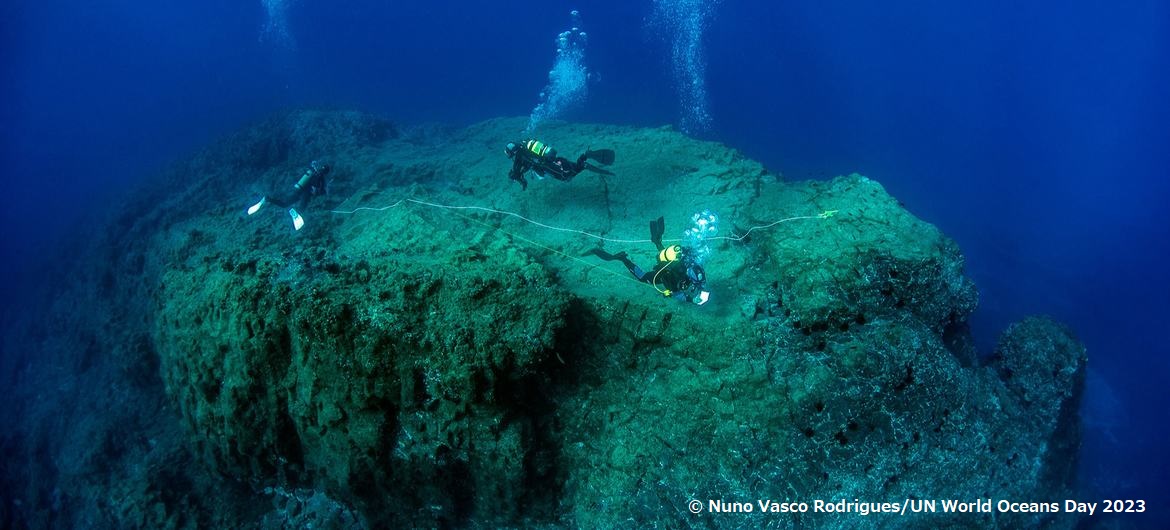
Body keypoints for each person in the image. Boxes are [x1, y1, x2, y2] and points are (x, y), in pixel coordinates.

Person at [587, 217, 711, 305]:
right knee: (644, 276)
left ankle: (656, 241)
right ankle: (623, 258)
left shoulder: (692, 281)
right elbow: (678, 292)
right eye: (690, 286)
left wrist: (691, 296)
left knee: (664, 261)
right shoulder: (693, 279)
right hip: (666, 270)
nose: (687, 287)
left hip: (670, 266)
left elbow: (683, 292)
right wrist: (692, 298)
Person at [246, 160, 331, 231]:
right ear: (326, 172)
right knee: (302, 209)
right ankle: (295, 212)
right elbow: (315, 190)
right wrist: (324, 191)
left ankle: (267, 199)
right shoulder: (320, 178)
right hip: (305, 194)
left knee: (284, 204)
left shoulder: (313, 172)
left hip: (298, 190)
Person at [503, 139, 615, 190]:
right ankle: (584, 156)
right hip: (554, 159)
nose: (512, 157)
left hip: (548, 165)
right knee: (571, 168)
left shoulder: (520, 155)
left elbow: (517, 171)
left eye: (510, 155)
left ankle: (583, 162)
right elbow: (527, 165)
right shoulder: (525, 145)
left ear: (513, 152)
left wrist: (518, 179)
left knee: (566, 176)